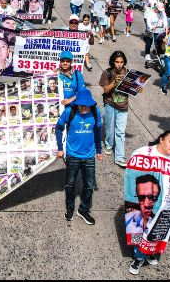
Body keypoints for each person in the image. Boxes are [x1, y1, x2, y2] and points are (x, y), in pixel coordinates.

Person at [126, 131, 170, 275]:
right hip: (143, 199)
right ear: (161, 139)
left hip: (165, 203)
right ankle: (139, 256)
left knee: (158, 230)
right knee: (139, 227)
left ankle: (151, 251)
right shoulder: (143, 152)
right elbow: (131, 174)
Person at [55, 86, 102, 224]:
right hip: (72, 155)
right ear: (77, 104)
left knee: (89, 185)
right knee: (70, 184)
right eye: (82, 106)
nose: (84, 109)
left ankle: (83, 210)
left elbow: (98, 132)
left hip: (89, 155)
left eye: (87, 106)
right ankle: (70, 208)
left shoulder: (95, 112)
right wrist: (59, 147)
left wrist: (98, 150)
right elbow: (58, 127)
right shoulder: (69, 111)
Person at [99, 51, 132, 167]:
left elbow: (132, 89)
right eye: (117, 62)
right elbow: (106, 90)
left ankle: (119, 157)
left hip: (123, 106)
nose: (119, 64)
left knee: (120, 132)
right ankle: (108, 144)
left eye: (121, 62)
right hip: (110, 104)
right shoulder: (107, 73)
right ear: (113, 62)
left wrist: (138, 88)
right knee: (109, 128)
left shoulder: (129, 74)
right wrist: (114, 82)